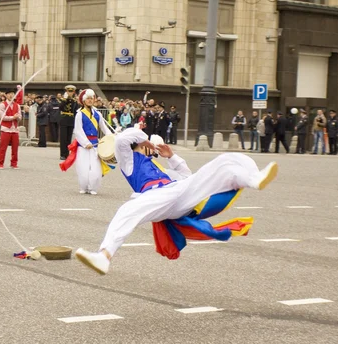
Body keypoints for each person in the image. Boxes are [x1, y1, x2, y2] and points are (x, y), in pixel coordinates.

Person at [75, 127, 278, 275]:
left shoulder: (163, 169)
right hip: (154, 197)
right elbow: (122, 140)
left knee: (224, 163)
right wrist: (145, 139)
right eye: (146, 147)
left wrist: (171, 157)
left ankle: (254, 179)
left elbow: (188, 177)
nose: (151, 150)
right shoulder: (128, 163)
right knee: (128, 210)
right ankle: (104, 255)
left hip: (178, 195)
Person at [60, 89, 113, 195]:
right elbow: (78, 131)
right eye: (88, 98)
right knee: (82, 166)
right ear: (84, 101)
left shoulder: (97, 114)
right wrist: (85, 143)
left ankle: (93, 187)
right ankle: (84, 186)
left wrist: (110, 137)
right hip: (83, 145)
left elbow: (104, 128)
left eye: (91, 98)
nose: (90, 100)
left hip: (95, 144)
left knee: (95, 166)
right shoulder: (79, 114)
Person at [0, 89, 22, 169]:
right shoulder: (2, 105)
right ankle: (0, 163)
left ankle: (14, 163)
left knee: (15, 148)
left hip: (15, 129)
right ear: (6, 95)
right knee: (3, 147)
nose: (11, 95)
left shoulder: (17, 105)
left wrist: (17, 118)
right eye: (9, 94)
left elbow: (20, 117)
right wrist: (13, 117)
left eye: (13, 94)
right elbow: (3, 117)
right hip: (6, 128)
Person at [59, 85, 78, 160]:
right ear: (66, 91)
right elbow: (60, 107)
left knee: (68, 138)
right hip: (64, 119)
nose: (70, 93)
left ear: (73, 92)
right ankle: (63, 154)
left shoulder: (75, 101)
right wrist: (65, 99)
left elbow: (76, 110)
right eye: (69, 91)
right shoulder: (63, 100)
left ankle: (67, 153)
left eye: (71, 91)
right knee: (63, 138)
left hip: (71, 120)